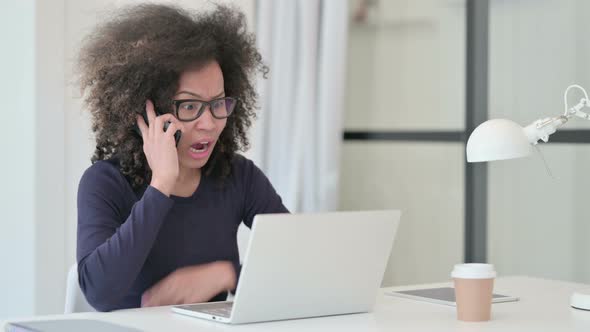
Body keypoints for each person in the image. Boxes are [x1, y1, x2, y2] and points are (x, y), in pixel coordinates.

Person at [75, 4, 288, 312]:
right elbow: (99, 292)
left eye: (218, 103)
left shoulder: (238, 176)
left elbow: (297, 261)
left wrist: (227, 274)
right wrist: (161, 185)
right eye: (189, 107)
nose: (210, 123)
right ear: (147, 114)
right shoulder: (105, 182)